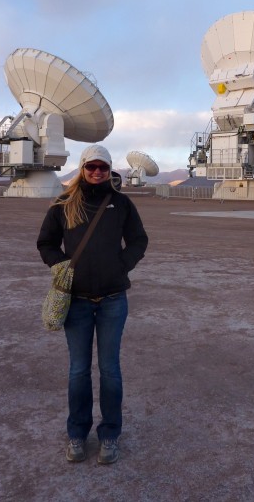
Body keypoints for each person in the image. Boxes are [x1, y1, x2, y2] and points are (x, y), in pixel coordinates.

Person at [37, 144, 148, 464]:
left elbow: (139, 240)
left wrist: (121, 265)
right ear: (83, 168)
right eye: (91, 167)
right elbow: (45, 242)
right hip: (77, 303)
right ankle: (77, 433)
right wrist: (60, 265)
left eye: (102, 167)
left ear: (110, 169)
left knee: (110, 370)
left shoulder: (121, 203)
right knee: (78, 371)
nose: (97, 172)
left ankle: (110, 433)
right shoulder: (63, 204)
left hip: (113, 300)